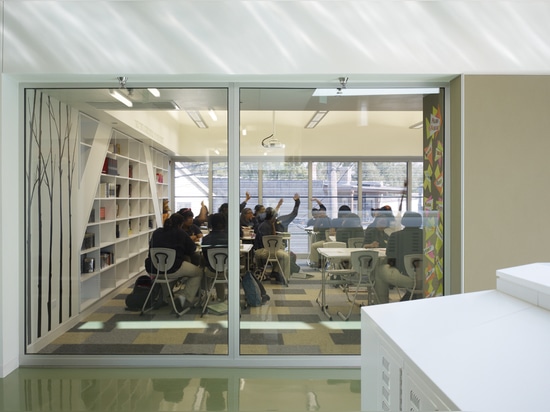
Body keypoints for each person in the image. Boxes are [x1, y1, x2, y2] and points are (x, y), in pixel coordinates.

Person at [144, 213, 203, 309]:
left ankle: (164, 297)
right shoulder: (180, 233)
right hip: (173, 268)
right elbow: (192, 249)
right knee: (198, 272)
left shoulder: (157, 232)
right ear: (181, 224)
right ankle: (184, 298)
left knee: (167, 274)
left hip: (153, 268)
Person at [374, 211, 423, 304]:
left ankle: (381, 305)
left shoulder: (396, 236)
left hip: (406, 277)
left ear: (403, 221)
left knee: (379, 271)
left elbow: (391, 260)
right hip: (426, 278)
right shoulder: (427, 236)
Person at [253, 207, 290, 284]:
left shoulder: (267, 224)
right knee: (285, 256)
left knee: (280, 252)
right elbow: (273, 241)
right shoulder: (265, 226)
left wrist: (273, 225)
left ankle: (276, 272)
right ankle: (284, 277)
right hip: (264, 250)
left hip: (265, 249)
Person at [201, 213, 229, 301]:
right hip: (229, 270)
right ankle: (221, 297)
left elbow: (206, 257)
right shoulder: (230, 238)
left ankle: (203, 293)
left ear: (210, 225)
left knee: (203, 265)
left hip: (211, 271)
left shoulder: (205, 239)